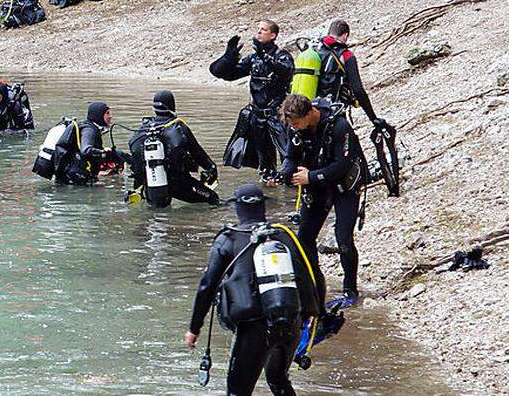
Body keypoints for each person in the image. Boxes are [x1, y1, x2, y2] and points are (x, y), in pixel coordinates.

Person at [185, 184, 321, 396]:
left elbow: (207, 286)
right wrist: (314, 314)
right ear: (263, 208)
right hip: (290, 321)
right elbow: (313, 275)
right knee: (278, 380)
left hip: (254, 329)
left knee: (237, 392)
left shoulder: (228, 239)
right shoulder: (284, 235)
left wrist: (194, 329)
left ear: (238, 208)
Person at [278, 94, 363, 306]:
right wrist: (284, 174)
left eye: (297, 123)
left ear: (309, 114)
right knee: (305, 238)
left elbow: (342, 165)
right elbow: (291, 156)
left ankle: (350, 291)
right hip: (316, 186)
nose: (294, 128)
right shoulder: (295, 128)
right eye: (291, 125)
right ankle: (314, 285)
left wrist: (311, 176)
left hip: (344, 185)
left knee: (343, 238)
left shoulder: (340, 126)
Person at [210, 20, 294, 179]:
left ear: (273, 35)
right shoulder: (253, 59)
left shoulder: (283, 56)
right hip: (257, 115)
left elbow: (286, 71)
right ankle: (269, 187)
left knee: (288, 154)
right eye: (258, 29)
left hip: (279, 115)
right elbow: (225, 75)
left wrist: (265, 56)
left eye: (263, 29)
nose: (259, 32)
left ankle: (290, 184)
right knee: (265, 162)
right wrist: (228, 57)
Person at [127, 90, 220, 207]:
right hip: (180, 184)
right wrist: (211, 168)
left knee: (158, 214)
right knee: (212, 199)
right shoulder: (178, 127)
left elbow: (135, 158)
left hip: (151, 185)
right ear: (172, 105)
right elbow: (197, 153)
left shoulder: (142, 130)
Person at [315, 20, 387, 130]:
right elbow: (358, 90)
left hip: (312, 111)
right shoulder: (346, 56)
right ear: (345, 36)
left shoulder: (314, 51)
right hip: (334, 111)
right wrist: (373, 118)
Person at [54, 102, 126, 185]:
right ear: (98, 115)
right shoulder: (89, 130)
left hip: (71, 177)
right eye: (107, 113)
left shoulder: (89, 126)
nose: (110, 116)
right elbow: (86, 150)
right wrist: (103, 152)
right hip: (76, 182)